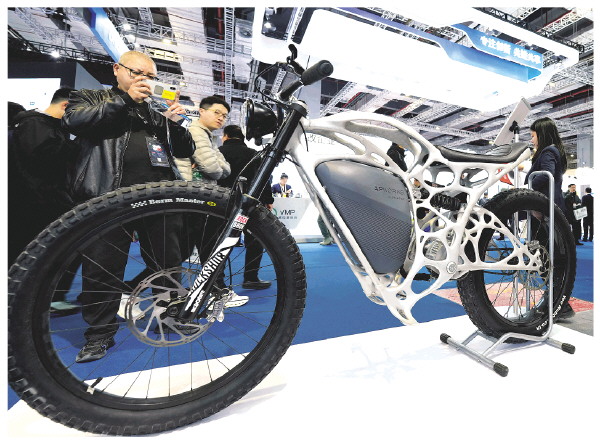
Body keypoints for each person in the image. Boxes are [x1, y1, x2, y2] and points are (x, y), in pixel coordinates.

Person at [63, 50, 195, 363]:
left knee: (167, 262)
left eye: (150, 76)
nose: (143, 80)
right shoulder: (91, 97)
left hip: (158, 199)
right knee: (102, 268)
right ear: (117, 69)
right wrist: (125, 100)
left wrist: (176, 124)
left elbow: (184, 150)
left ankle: (170, 315)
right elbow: (75, 120)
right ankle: (99, 334)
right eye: (137, 73)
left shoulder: (154, 112)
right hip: (108, 197)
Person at [8, 88, 81, 315]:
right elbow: (44, 161)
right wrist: (79, 144)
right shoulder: (35, 124)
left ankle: (47, 298)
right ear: (66, 106)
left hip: (44, 203)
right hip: (35, 205)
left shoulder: (44, 126)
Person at [524, 117, 574, 320]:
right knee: (549, 255)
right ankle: (557, 302)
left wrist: (529, 186)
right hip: (548, 211)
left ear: (542, 134)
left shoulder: (548, 152)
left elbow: (547, 175)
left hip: (547, 211)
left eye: (533, 135)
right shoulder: (552, 151)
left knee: (552, 256)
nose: (532, 140)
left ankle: (558, 302)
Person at [218, 124, 274, 290]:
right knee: (254, 242)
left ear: (226, 136)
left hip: (221, 204)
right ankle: (250, 277)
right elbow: (264, 178)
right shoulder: (253, 154)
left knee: (220, 242)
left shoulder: (218, 152)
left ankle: (217, 282)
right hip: (249, 205)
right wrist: (268, 199)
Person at [174, 95, 231, 183]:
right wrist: (220, 167)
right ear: (201, 111)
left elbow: (227, 171)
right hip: (189, 187)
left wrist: (214, 164)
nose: (221, 118)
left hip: (195, 187)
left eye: (224, 116)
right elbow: (213, 170)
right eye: (216, 112)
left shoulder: (207, 135)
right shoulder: (195, 131)